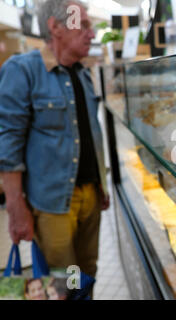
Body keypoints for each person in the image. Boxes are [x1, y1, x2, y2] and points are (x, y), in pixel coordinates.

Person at [0, 0, 109, 290]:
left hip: (91, 197)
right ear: (55, 27)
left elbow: (89, 134)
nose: (92, 34)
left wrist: (102, 182)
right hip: (54, 204)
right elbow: (8, 142)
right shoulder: (23, 70)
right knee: (64, 281)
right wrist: (15, 207)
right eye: (83, 25)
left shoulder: (84, 74)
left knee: (88, 271)